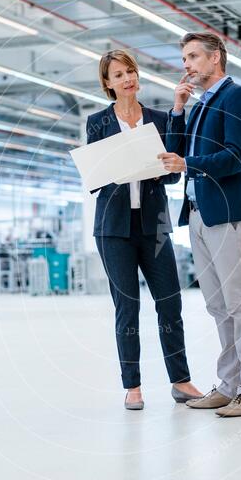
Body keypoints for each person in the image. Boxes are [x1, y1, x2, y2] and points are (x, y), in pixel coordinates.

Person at [86, 49, 202, 410]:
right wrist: (122, 166)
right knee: (127, 307)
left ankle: (180, 381)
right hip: (113, 228)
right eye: (118, 75)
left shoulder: (157, 119)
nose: (127, 79)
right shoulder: (98, 122)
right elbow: (95, 177)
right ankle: (132, 386)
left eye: (130, 71)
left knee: (170, 302)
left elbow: (172, 172)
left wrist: (155, 165)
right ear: (108, 83)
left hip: (153, 227)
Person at [159, 32, 241, 418]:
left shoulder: (238, 97)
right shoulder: (202, 103)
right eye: (184, 57)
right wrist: (177, 109)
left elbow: (236, 157)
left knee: (240, 304)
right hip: (199, 214)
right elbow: (176, 154)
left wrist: (188, 164)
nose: (186, 64)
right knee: (219, 306)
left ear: (215, 57)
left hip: (227, 212)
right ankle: (229, 385)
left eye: (192, 56)